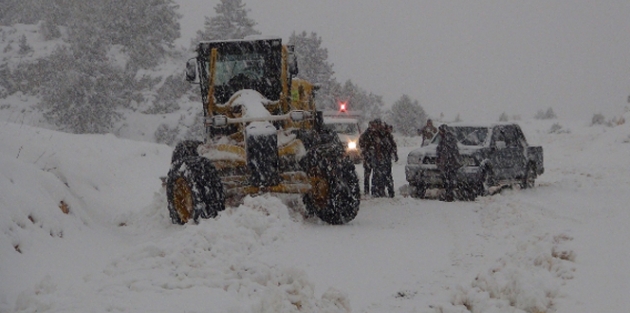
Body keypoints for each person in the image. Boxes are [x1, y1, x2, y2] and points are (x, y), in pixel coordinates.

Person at [435, 124, 461, 202]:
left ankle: (449, 196)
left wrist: (441, 161)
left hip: (449, 163)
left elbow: (445, 152)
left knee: (448, 180)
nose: (439, 132)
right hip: (449, 163)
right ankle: (449, 195)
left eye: (440, 131)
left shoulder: (447, 139)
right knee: (448, 179)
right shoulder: (447, 138)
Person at [359, 120, 378, 195]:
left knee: (375, 175)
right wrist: (366, 149)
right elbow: (361, 143)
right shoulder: (366, 135)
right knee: (367, 174)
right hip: (368, 156)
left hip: (373, 156)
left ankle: (373, 190)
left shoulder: (375, 134)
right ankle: (367, 190)